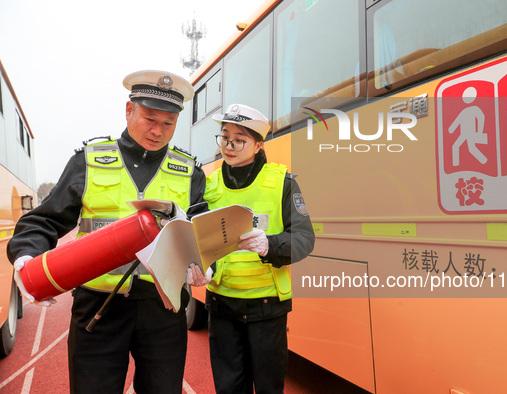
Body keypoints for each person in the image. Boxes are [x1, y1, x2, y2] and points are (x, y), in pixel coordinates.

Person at [7, 70, 207, 394]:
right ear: (129, 110)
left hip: (164, 311)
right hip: (99, 309)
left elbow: (204, 231)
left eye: (168, 123)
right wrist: (26, 260)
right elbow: (41, 222)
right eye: (149, 118)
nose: (157, 131)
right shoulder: (89, 161)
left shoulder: (191, 173)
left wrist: (206, 262)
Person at [191, 103, 315, 393]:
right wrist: (201, 264)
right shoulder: (208, 187)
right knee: (229, 387)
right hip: (221, 306)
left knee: (269, 387)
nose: (229, 146)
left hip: (267, 308)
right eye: (224, 137)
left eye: (239, 140)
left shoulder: (281, 183)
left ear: (259, 145)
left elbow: (305, 239)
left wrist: (269, 244)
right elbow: (195, 239)